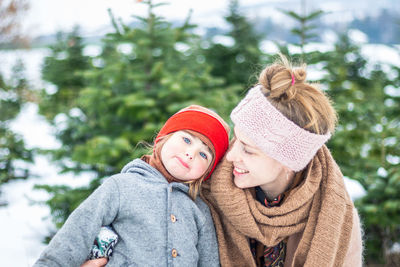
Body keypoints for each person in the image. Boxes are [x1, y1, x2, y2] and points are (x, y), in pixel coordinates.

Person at [200, 55, 363, 267]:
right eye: (236, 140)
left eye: (248, 150)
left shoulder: (338, 220)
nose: (230, 156)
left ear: (289, 159)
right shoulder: (207, 193)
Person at [33, 105, 230, 267]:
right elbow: (76, 235)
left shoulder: (199, 209)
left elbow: (210, 261)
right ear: (163, 138)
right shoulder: (122, 187)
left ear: (207, 172)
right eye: (186, 139)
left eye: (204, 154)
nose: (191, 154)